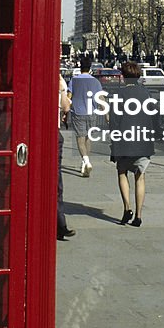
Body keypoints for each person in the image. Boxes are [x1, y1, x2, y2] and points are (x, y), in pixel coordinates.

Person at [110, 60, 161, 227]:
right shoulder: (146, 94)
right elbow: (155, 116)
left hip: (124, 141)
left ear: (124, 77)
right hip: (143, 142)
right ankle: (138, 216)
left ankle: (127, 208)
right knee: (140, 177)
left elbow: (114, 122)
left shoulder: (118, 95)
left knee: (122, 173)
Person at [68, 56, 104, 175]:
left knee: (80, 138)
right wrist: (106, 112)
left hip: (78, 112)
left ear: (80, 66)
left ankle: (86, 161)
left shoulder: (74, 80)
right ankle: (85, 162)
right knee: (88, 138)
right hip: (91, 111)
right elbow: (100, 98)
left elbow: (69, 96)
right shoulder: (95, 81)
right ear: (90, 67)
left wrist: (64, 111)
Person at [57, 74, 76, 241]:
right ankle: (60, 224)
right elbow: (65, 107)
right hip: (53, 134)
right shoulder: (60, 80)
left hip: (29, 133)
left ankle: (59, 224)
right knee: (56, 184)